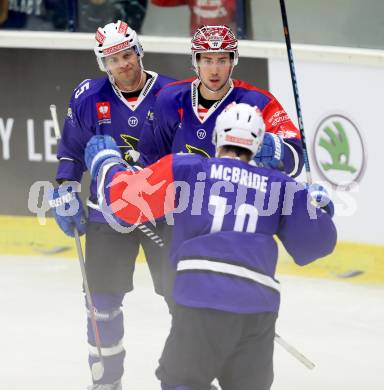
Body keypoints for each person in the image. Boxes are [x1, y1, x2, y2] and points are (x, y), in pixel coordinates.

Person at [84, 102, 337, 390]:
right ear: (256, 145)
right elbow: (317, 244)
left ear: (217, 138)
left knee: (181, 383)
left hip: (201, 298)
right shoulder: (279, 185)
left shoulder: (187, 167)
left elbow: (122, 204)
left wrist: (106, 163)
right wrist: (317, 207)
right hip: (258, 308)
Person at [48, 20, 175, 390]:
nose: (123, 64)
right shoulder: (88, 97)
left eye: (127, 54)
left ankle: (189, 377)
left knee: (183, 300)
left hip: (162, 214)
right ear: (103, 64)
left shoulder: (173, 93)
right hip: (108, 214)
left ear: (139, 51)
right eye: (113, 59)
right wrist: (66, 190)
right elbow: (71, 152)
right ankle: (107, 381)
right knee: (101, 304)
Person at [139, 24, 304, 179]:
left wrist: (276, 149)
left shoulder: (259, 102)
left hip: (237, 203)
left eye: (222, 61)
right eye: (207, 60)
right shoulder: (169, 99)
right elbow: (149, 161)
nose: (214, 70)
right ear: (195, 61)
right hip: (182, 203)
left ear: (233, 61)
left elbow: (297, 160)